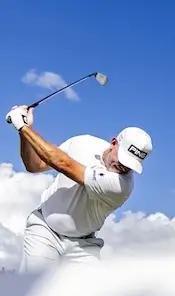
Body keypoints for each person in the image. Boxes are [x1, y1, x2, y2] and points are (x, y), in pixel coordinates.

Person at [4, 105, 153, 273]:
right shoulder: (83, 142)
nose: (124, 168)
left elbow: (63, 164)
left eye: (129, 165)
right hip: (45, 229)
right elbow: (34, 165)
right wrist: (25, 132)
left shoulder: (121, 186)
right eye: (122, 160)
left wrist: (22, 127)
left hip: (83, 247)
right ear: (113, 143)